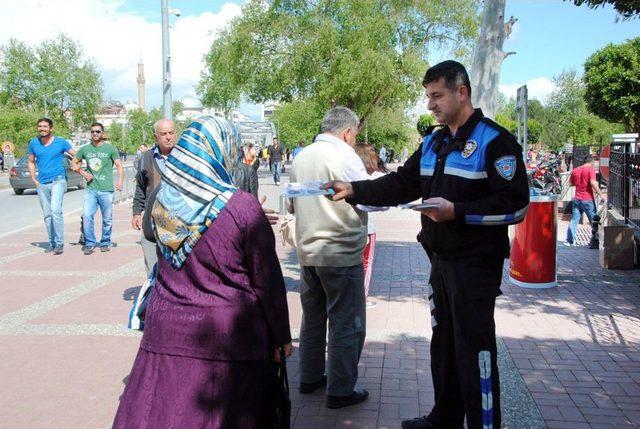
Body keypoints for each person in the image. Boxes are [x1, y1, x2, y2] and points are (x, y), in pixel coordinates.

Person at [325, 60, 529, 429]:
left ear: (461, 92)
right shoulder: (434, 142)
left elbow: (515, 206)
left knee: (475, 350)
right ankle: (444, 419)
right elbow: (402, 183)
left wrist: (458, 212)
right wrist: (354, 189)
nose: (431, 105)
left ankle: (484, 424)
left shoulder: (496, 141)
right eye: (428, 97)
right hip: (440, 261)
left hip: (475, 267)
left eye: (437, 96)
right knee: (445, 345)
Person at [112, 116, 292, 429]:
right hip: (228, 337)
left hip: (167, 327)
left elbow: (157, 244)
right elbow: (267, 280)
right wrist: (281, 337)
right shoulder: (241, 208)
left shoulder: (163, 201)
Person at [289, 106, 371, 409]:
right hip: (340, 252)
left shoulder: (301, 155)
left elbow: (292, 204)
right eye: (355, 136)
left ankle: (309, 377)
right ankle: (340, 389)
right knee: (346, 322)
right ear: (348, 132)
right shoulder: (345, 156)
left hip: (308, 252)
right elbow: (369, 198)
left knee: (312, 318)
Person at [131, 119, 176, 275]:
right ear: (156, 136)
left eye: (171, 133)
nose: (169, 137)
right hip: (151, 221)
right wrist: (137, 212)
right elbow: (140, 188)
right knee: (153, 269)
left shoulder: (184, 156)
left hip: (178, 221)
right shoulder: (146, 158)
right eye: (164, 134)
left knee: (176, 269)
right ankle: (153, 295)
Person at [72, 122, 124, 255]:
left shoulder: (110, 148)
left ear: (102, 133)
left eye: (98, 131)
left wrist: (120, 181)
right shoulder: (85, 149)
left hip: (106, 190)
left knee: (107, 218)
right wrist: (83, 173)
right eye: (93, 131)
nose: (95, 134)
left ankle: (105, 242)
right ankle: (90, 243)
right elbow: (74, 163)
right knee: (87, 215)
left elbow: (119, 165)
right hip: (91, 190)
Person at [27, 117, 77, 255]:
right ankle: (52, 242)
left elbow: (76, 154)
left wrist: (75, 165)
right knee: (47, 215)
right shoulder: (33, 143)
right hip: (42, 183)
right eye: (40, 126)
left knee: (55, 210)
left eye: (45, 126)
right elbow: (31, 161)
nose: (42, 129)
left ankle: (59, 243)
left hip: (58, 180)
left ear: (51, 128)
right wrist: (34, 179)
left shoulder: (61, 142)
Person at [353, 143, 388, 309]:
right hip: (368, 227)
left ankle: (355, 295)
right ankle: (362, 297)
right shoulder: (374, 177)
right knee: (366, 262)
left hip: (351, 228)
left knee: (355, 263)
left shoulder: (351, 171)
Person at [565, 154, 605, 246]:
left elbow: (571, 184)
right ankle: (596, 241)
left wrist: (580, 183)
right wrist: (601, 194)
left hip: (577, 199)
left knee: (574, 220)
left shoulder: (575, 170)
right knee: (594, 221)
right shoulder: (590, 169)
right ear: (591, 162)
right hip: (588, 199)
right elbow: (593, 183)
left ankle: (569, 240)